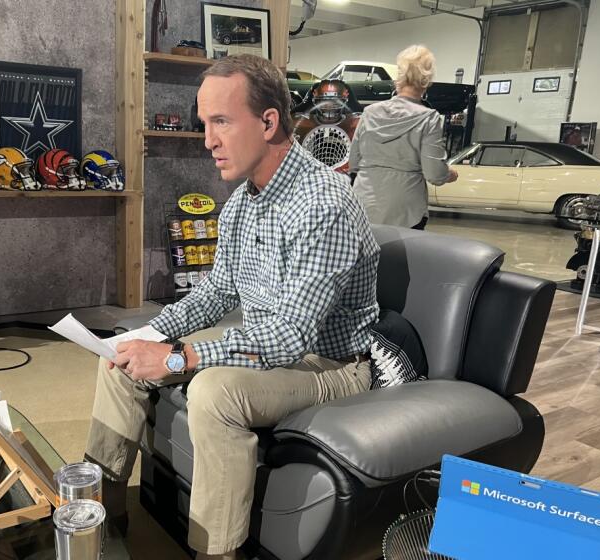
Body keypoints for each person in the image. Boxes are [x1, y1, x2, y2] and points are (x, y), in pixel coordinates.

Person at [84, 54, 379, 560]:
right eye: (205, 124)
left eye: (221, 121)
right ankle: (104, 518)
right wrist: (151, 338)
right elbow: (217, 293)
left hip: (328, 365)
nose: (208, 140)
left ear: (268, 122)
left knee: (215, 392)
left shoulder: (325, 203)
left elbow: (291, 337)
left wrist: (178, 359)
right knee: (123, 364)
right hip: (269, 348)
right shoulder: (244, 201)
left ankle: (216, 553)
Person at [349, 44, 459, 230]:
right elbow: (434, 174)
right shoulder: (429, 118)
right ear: (427, 81)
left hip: (364, 204)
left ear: (398, 78)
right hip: (406, 211)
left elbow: (354, 162)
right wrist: (450, 174)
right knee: (401, 258)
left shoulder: (369, 113)